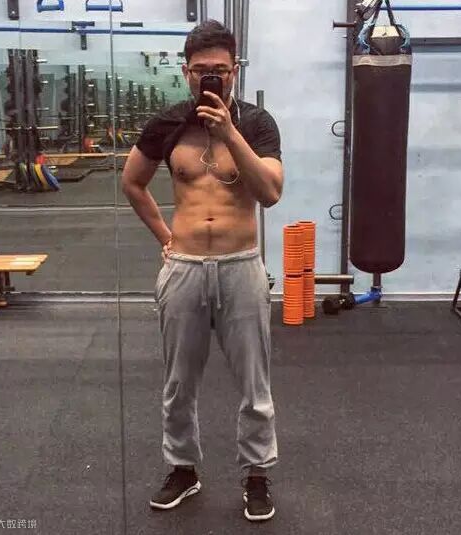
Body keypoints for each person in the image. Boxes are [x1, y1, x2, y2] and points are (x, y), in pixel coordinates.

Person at [122, 19, 284, 522]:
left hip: (241, 267)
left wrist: (228, 131)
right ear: (186, 72)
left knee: (255, 385)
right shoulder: (167, 124)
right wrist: (166, 238)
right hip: (186, 269)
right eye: (199, 70)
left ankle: (256, 476)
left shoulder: (256, 124)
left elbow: (270, 193)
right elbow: (132, 182)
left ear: (234, 71)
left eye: (220, 69)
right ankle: (183, 469)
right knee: (178, 384)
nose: (209, 77)